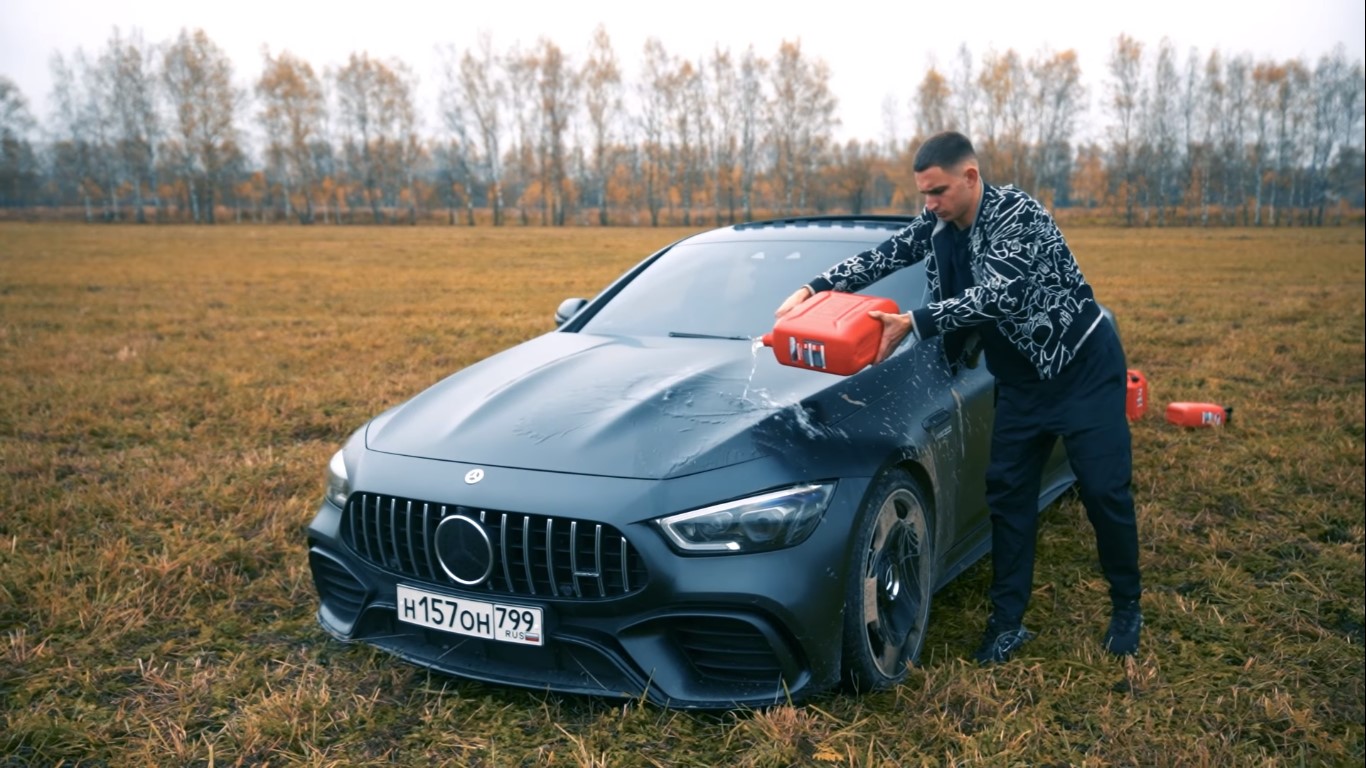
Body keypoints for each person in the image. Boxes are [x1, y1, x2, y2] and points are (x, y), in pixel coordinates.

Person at [775, 131, 1142, 664]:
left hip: (1080, 372)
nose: (930, 205)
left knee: (1105, 491)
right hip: (1020, 385)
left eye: (939, 191)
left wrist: (915, 322)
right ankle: (1008, 623)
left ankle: (1127, 605)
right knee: (1008, 497)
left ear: (970, 177)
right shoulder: (941, 222)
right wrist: (816, 287)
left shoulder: (1019, 215)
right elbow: (891, 252)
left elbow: (1000, 294)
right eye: (924, 194)